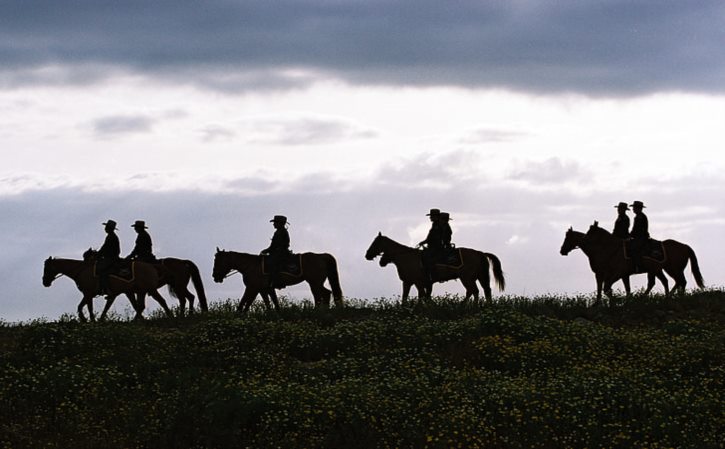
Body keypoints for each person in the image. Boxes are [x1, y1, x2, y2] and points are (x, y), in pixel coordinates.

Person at [261, 215, 291, 288]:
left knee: (272, 263)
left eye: (275, 223)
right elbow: (272, 246)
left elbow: (278, 245)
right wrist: (266, 250)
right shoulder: (278, 232)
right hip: (277, 252)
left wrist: (267, 250)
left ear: (280, 223)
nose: (273, 224)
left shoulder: (282, 232)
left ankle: (277, 281)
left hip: (281, 253)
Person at [96, 219, 121, 297]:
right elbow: (104, 248)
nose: (105, 228)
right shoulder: (111, 236)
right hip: (110, 257)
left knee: (101, 270)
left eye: (106, 227)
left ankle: (106, 289)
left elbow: (105, 248)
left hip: (111, 258)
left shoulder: (111, 237)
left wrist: (98, 255)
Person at [418, 208, 443, 281]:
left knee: (428, 258)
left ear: (436, 216)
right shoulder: (435, 224)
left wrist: (426, 241)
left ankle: (432, 274)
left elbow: (434, 237)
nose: (430, 218)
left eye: (431, 216)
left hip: (436, 246)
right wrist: (424, 241)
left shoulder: (438, 225)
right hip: (433, 245)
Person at [629, 201, 650, 271]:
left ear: (639, 208)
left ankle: (638, 265)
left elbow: (638, 229)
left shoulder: (641, 217)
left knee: (634, 249)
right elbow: (634, 228)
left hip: (641, 237)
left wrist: (631, 235)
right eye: (633, 207)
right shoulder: (638, 216)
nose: (633, 209)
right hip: (638, 237)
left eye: (635, 208)